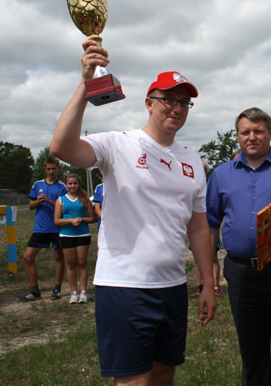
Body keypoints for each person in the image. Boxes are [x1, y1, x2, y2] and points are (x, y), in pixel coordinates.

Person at [49, 40, 217, 385]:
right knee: (133, 382)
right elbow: (61, 147)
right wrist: (86, 85)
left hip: (172, 286)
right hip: (125, 285)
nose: (177, 108)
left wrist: (208, 283)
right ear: (149, 104)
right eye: (168, 99)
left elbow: (198, 227)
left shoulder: (192, 162)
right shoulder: (117, 144)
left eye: (184, 102)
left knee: (163, 376)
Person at [206, 107, 271, 385]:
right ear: (237, 136)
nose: (252, 137)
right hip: (241, 274)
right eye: (245, 132)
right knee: (252, 351)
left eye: (258, 131)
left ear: (270, 133)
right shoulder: (221, 174)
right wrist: (210, 263)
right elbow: (211, 222)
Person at [18, 157, 67, 302]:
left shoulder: (62, 187)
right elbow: (30, 206)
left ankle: (57, 289)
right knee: (28, 257)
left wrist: (49, 201)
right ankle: (34, 291)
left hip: (57, 228)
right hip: (41, 228)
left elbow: (64, 208)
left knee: (59, 257)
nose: (51, 171)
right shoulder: (37, 184)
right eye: (48, 169)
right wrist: (38, 201)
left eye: (54, 168)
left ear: (58, 169)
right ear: (44, 169)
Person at [54, 173, 95, 304]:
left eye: (75, 183)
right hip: (67, 235)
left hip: (82, 234)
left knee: (82, 263)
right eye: (70, 183)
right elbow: (57, 220)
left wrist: (81, 220)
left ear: (79, 184)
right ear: (66, 185)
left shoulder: (85, 199)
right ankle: (74, 292)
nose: (72, 186)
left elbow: (92, 218)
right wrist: (70, 220)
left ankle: (83, 292)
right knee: (70, 264)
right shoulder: (60, 200)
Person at [191, 159, 223, 299]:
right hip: (197, 227)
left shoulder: (210, 184)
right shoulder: (191, 184)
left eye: (203, 169)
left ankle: (215, 286)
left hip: (210, 227)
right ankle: (200, 285)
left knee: (213, 257)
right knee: (198, 258)